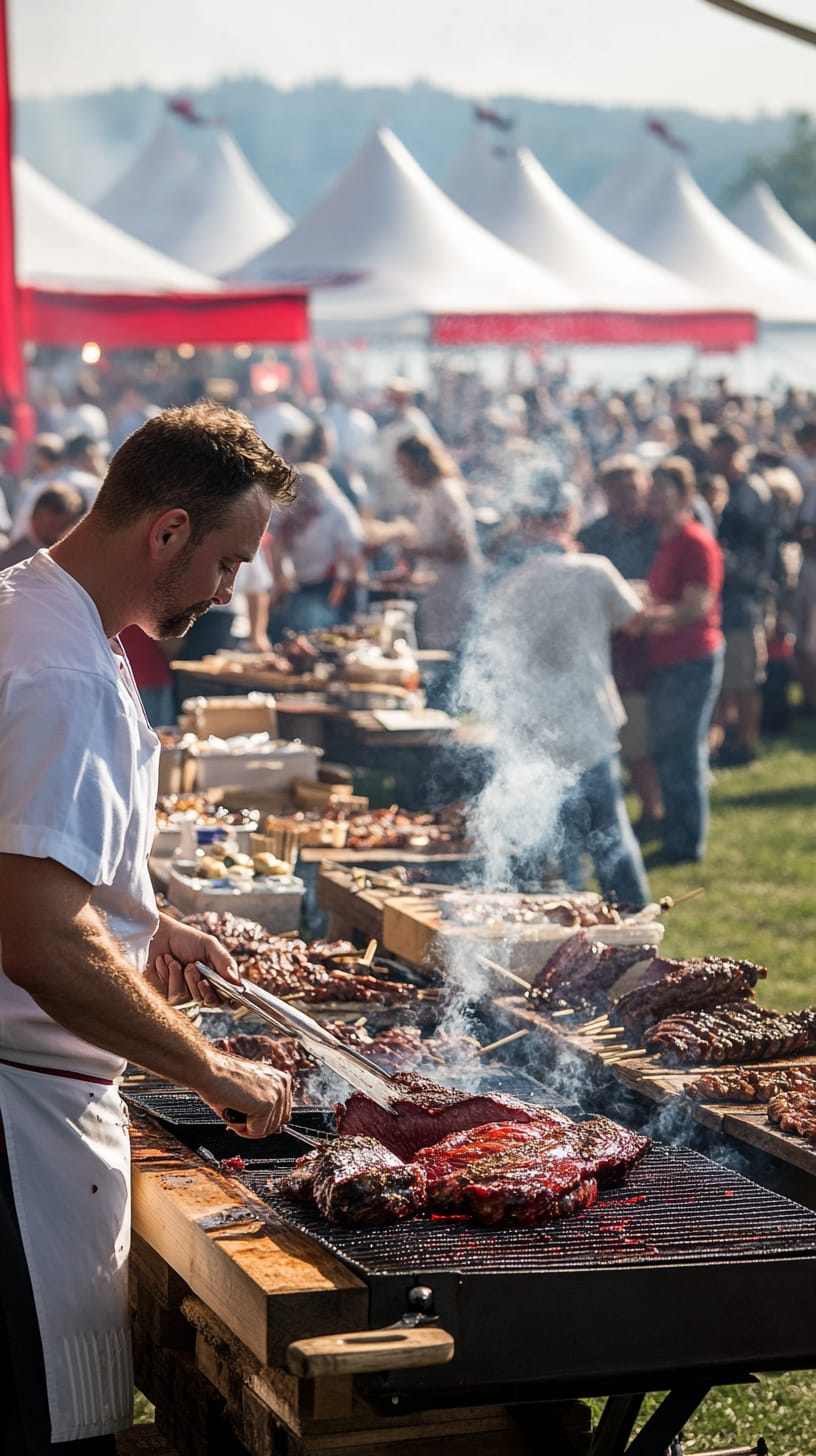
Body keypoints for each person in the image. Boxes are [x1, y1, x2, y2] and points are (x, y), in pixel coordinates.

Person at [0, 401, 297, 1453]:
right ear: (167, 531)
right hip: (17, 1128)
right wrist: (213, 1069)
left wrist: (143, 919)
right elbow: (36, 938)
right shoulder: (63, 667)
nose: (232, 590)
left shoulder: (44, 611)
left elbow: (33, 867)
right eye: (229, 560)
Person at [469, 481, 650, 909]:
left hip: (534, 730)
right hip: (587, 723)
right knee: (609, 836)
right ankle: (634, 924)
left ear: (528, 522)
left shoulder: (507, 585)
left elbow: (492, 660)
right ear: (565, 517)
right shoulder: (594, 570)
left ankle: (568, 928)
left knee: (552, 841)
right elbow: (635, 620)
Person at [641, 457, 724, 865]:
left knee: (684, 752)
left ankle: (686, 842)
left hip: (691, 657)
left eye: (663, 493)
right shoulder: (667, 540)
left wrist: (647, 619)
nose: (653, 500)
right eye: (652, 492)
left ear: (686, 496)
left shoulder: (695, 541)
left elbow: (696, 607)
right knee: (669, 750)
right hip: (668, 658)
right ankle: (677, 831)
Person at [578, 455, 663, 840]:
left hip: (656, 642)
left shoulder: (658, 531)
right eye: (618, 490)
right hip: (609, 646)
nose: (628, 497)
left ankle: (655, 809)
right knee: (627, 733)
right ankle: (642, 811)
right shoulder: (594, 536)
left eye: (633, 488)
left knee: (651, 736)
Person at [708, 425, 774, 766]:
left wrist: (728, 562)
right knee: (722, 682)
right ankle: (725, 738)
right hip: (721, 596)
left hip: (744, 594)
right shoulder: (721, 486)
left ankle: (746, 744)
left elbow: (758, 550)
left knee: (745, 678)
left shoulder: (751, 491)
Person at [394, 434, 482, 656]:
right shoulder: (430, 494)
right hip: (436, 594)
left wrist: (417, 550)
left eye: (406, 466)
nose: (404, 474)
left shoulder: (445, 492)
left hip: (454, 595)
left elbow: (461, 549)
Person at [0, 482, 86, 570]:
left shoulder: (70, 559)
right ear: (34, 517)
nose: (55, 533)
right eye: (51, 526)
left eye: (61, 527)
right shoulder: (13, 558)